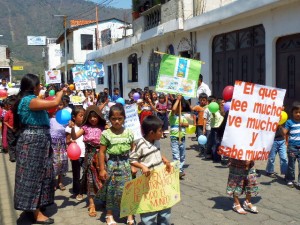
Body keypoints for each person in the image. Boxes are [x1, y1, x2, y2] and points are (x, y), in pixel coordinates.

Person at [13, 73, 66, 224]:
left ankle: (34, 206)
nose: (40, 88)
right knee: (33, 176)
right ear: (33, 87)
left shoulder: (32, 100)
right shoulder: (28, 101)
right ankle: (35, 212)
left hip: (40, 142)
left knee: (43, 174)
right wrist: (60, 93)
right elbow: (55, 103)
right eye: (38, 85)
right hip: (33, 143)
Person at [130, 115, 172, 225]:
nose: (162, 132)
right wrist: (142, 166)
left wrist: (164, 159)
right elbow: (132, 159)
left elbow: (156, 152)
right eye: (160, 130)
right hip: (148, 185)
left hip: (161, 180)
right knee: (149, 211)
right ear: (151, 132)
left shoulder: (156, 141)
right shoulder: (141, 144)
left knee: (165, 208)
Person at [98, 103, 135, 225]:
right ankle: (109, 215)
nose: (117, 121)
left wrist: (134, 165)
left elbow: (133, 150)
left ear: (124, 118)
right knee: (111, 189)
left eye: (120, 118)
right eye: (114, 119)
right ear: (110, 119)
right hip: (112, 165)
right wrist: (102, 169)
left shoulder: (129, 133)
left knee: (128, 189)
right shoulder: (106, 134)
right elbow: (102, 152)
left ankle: (129, 214)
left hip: (126, 164)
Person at [70, 105, 106, 217]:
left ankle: (105, 200)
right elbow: (74, 137)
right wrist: (72, 128)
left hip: (101, 157)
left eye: (95, 117)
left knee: (103, 178)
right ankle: (92, 204)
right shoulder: (85, 127)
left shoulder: (104, 127)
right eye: (90, 117)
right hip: (89, 157)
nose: (93, 119)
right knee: (90, 180)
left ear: (99, 117)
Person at [65, 106, 86, 201]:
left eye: (84, 115)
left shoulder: (85, 127)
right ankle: (77, 191)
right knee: (76, 174)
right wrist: (71, 142)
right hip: (76, 155)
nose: (83, 117)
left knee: (86, 172)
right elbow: (67, 140)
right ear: (74, 117)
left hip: (85, 154)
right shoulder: (70, 128)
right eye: (81, 115)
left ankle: (83, 189)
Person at [50, 100, 68, 191]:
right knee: (54, 164)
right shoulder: (50, 118)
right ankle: (53, 182)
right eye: (56, 105)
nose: (58, 107)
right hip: (52, 144)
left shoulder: (65, 118)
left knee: (62, 162)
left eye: (60, 104)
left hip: (62, 144)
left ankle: (60, 182)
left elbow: (68, 132)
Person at [169, 95, 189, 179]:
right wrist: (177, 100)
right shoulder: (171, 115)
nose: (178, 108)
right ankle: (178, 170)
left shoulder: (183, 117)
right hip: (174, 138)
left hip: (182, 138)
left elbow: (187, 125)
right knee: (176, 155)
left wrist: (183, 124)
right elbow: (173, 109)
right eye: (177, 106)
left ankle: (180, 169)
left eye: (180, 106)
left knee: (182, 155)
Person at [284, 102, 300, 188]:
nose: (298, 114)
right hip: (292, 147)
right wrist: (279, 125)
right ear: (292, 113)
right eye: (296, 112)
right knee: (291, 165)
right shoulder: (289, 122)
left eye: (299, 112)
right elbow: (285, 132)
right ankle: (290, 179)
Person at [3, 95, 17, 162]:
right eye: (10, 106)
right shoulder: (8, 113)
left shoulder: (17, 112)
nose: (11, 107)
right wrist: (11, 127)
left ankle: (16, 155)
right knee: (11, 143)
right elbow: (5, 121)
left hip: (17, 129)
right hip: (10, 130)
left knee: (16, 142)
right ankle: (12, 156)